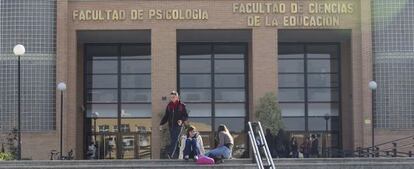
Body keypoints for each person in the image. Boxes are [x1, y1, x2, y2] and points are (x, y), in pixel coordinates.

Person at [160, 91, 189, 158]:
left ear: (177, 97)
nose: (172, 98)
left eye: (173, 97)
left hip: (178, 126)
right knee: (175, 141)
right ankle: (179, 155)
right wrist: (161, 124)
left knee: (174, 139)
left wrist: (181, 120)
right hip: (171, 126)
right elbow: (166, 116)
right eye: (171, 97)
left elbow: (186, 116)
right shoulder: (169, 106)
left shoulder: (182, 105)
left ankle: (170, 154)